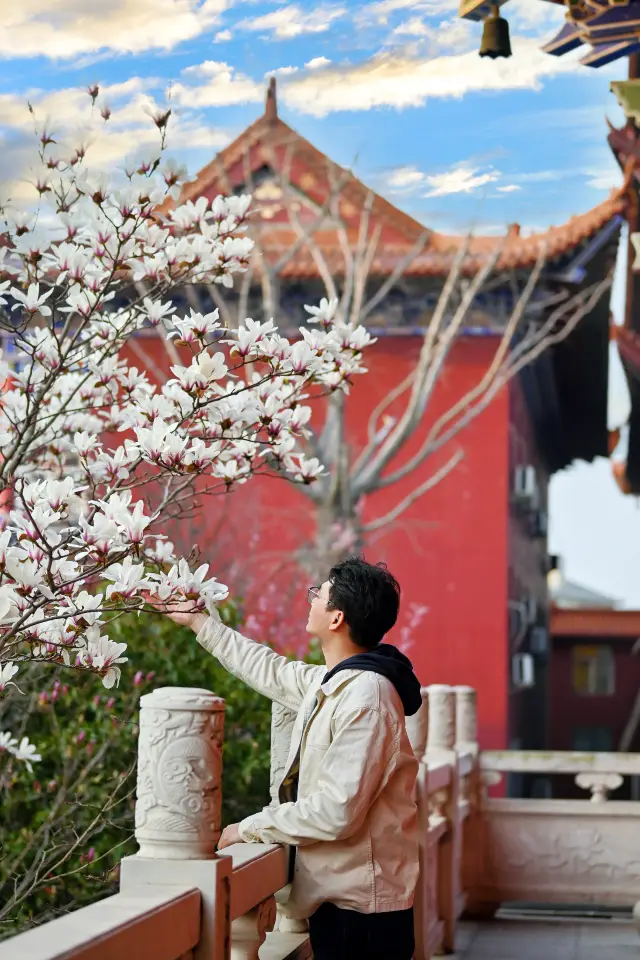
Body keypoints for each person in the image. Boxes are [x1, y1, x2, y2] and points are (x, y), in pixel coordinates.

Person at [160, 555, 421, 960]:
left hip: (363, 915)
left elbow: (337, 811)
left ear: (337, 618)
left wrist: (249, 828)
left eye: (320, 594)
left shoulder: (367, 695)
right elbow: (269, 670)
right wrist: (199, 623)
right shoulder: (335, 681)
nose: (311, 599)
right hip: (339, 903)